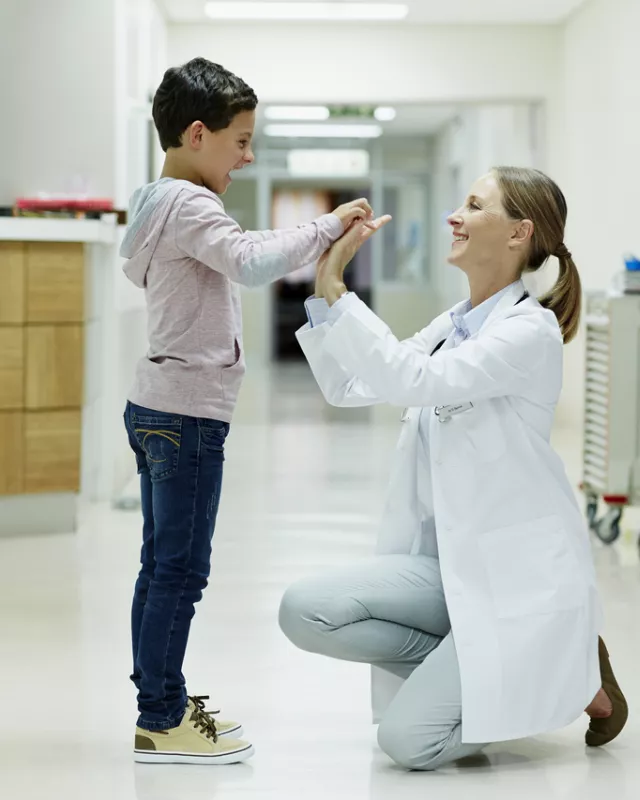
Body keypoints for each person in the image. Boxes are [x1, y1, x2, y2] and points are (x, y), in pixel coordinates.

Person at [279, 167, 628, 770]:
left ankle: (572, 676)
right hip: (453, 572)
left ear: (519, 233)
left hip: (519, 584)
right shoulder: (454, 325)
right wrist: (322, 287)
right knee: (304, 610)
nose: (454, 216)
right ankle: (484, 665)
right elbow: (352, 384)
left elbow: (414, 381)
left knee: (410, 743)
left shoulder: (528, 332)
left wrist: (339, 286)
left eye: (473, 205)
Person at [120, 57, 373, 766]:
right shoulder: (191, 204)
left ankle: (158, 701)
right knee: (180, 571)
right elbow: (253, 262)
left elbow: (239, 254)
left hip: (157, 406)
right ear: (197, 134)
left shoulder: (155, 202)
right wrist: (327, 228)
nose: (248, 155)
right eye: (240, 140)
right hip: (188, 415)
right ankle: (161, 718)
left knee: (159, 567)